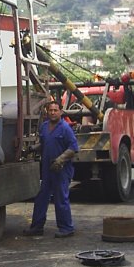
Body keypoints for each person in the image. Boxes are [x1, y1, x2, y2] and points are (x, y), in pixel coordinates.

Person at [23, 100, 79, 238]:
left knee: (61, 198)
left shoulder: (65, 128)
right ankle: (37, 226)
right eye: (50, 110)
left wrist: (60, 160)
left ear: (60, 112)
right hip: (47, 169)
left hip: (61, 169)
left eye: (55, 110)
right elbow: (43, 143)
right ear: (47, 112)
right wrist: (32, 148)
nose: (53, 113)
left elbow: (73, 148)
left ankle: (66, 228)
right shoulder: (44, 126)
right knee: (41, 197)